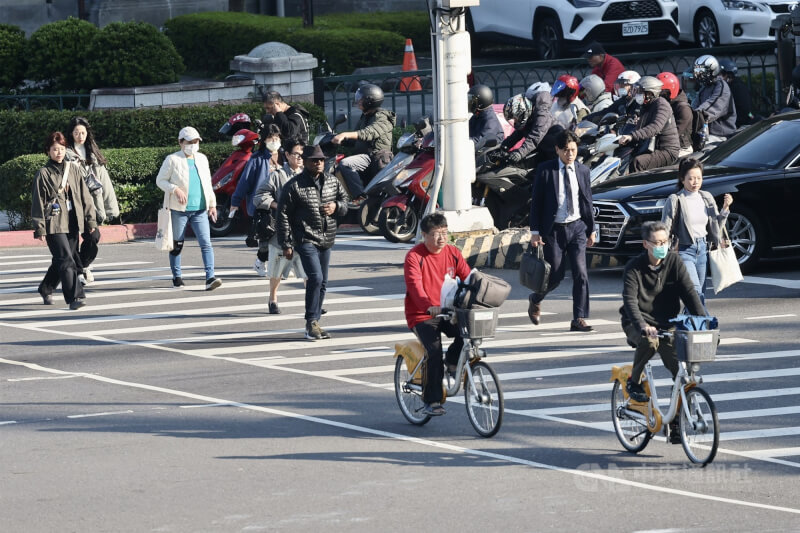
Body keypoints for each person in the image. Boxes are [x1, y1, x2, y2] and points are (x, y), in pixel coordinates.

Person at [620, 220, 706, 405]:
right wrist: (642, 325)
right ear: (646, 244)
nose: (663, 246)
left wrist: (705, 322)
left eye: (665, 242)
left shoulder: (674, 261)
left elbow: (689, 293)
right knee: (649, 341)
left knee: (682, 376)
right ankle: (633, 383)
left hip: (667, 324)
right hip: (638, 322)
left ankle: (676, 427)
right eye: (658, 243)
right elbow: (630, 301)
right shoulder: (633, 267)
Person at [277, 144, 349, 340]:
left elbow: (346, 202)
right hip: (305, 237)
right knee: (315, 278)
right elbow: (282, 215)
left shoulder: (333, 182)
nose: (318, 163)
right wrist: (287, 244)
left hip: (327, 237)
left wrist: (336, 206)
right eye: (314, 160)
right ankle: (310, 321)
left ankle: (316, 320)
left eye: (321, 160)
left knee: (323, 281)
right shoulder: (294, 186)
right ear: (306, 162)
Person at [404, 212, 472, 416]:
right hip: (422, 314)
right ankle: (431, 400)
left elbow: (468, 278)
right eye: (435, 234)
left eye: (444, 232)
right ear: (424, 235)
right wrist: (428, 306)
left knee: (469, 334)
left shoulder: (453, 252)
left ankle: (452, 361)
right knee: (433, 352)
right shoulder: (415, 256)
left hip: (449, 311)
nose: (441, 238)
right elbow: (415, 287)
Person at [527, 130, 596, 332]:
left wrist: (591, 229)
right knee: (555, 275)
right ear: (557, 150)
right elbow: (537, 202)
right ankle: (536, 298)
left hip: (577, 228)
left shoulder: (583, 171)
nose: (570, 154)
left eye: (573, 150)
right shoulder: (546, 170)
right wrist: (535, 231)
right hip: (554, 230)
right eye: (566, 150)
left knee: (581, 273)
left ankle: (579, 318)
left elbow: (587, 201)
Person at [31, 131, 97, 310]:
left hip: (73, 222)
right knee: (66, 259)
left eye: (61, 149)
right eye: (54, 149)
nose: (58, 153)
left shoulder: (73, 169)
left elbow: (85, 197)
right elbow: (38, 202)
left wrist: (91, 221)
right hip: (54, 222)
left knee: (60, 260)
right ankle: (75, 296)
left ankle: (46, 288)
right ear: (48, 151)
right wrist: (40, 228)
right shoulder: (43, 174)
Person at [155, 126, 222, 291]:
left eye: (196, 142)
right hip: (179, 210)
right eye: (189, 142)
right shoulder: (172, 159)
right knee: (177, 244)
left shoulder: (202, 159)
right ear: (180, 143)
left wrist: (212, 204)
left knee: (206, 243)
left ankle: (210, 277)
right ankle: (177, 277)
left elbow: (207, 184)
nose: (193, 145)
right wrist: (175, 189)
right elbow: (160, 180)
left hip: (200, 209)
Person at [660, 158, 733, 306]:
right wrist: (660, 254)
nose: (695, 182)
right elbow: (665, 228)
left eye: (699, 178)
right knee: (695, 291)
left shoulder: (706, 197)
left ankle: (689, 325)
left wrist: (725, 208)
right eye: (691, 178)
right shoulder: (675, 199)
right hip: (683, 251)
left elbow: (716, 227)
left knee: (699, 293)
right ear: (682, 179)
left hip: (703, 250)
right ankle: (703, 322)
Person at [253, 138, 307, 313]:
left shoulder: (308, 174)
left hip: (304, 230)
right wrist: (276, 205)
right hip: (282, 230)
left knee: (309, 267)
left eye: (302, 155)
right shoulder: (277, 176)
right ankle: (272, 298)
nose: (299, 158)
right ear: (287, 155)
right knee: (277, 267)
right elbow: (259, 196)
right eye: (296, 154)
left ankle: (313, 301)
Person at [65, 116, 119, 285]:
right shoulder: (66, 154)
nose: (80, 136)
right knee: (73, 242)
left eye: (83, 132)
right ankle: (79, 271)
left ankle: (83, 266)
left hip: (92, 206)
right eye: (76, 132)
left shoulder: (93, 154)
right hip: (74, 205)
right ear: (71, 134)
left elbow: (105, 183)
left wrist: (111, 209)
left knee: (93, 237)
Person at [331, 83, 396, 206]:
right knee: (337, 165)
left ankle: (361, 197)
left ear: (370, 101)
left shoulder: (383, 118)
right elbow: (355, 138)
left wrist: (346, 134)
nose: (358, 101)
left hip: (376, 157)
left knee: (346, 163)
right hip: (365, 156)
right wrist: (336, 138)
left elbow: (368, 133)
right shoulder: (365, 116)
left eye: (361, 99)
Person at [230, 124, 278, 273]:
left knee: (282, 236)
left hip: (281, 202)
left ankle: (278, 264)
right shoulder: (257, 159)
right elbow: (245, 181)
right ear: (264, 140)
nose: (274, 141)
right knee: (266, 237)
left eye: (277, 138)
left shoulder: (285, 155)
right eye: (271, 138)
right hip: (263, 205)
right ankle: (260, 262)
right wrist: (235, 202)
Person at [617, 76, 680, 173]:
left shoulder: (662, 105)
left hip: (667, 150)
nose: (637, 94)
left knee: (638, 162)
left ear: (650, 93)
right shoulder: (645, 105)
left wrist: (631, 136)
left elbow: (655, 127)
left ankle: (637, 187)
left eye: (640, 92)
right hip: (651, 146)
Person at [501, 88, 557, 164]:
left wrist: (520, 153)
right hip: (541, 149)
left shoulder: (542, 116)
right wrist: (503, 146)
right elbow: (517, 134)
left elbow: (535, 136)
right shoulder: (529, 118)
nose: (515, 122)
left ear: (523, 113)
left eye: (516, 118)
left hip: (556, 151)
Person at [692, 54, 737, 142]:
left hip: (722, 136)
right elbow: (694, 105)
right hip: (706, 133)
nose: (699, 74)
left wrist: (694, 116)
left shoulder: (721, 86)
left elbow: (711, 108)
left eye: (701, 71)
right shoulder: (704, 88)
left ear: (713, 70)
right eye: (697, 70)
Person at [657, 71, 694, 157]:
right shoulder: (665, 104)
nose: (657, 95)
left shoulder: (683, 108)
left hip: (681, 148)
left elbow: (674, 134)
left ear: (669, 91)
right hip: (665, 145)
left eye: (660, 92)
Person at [719, 59, 754, 127]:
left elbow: (745, 111)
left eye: (721, 74)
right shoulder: (734, 85)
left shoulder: (736, 88)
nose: (718, 77)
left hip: (741, 126)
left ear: (729, 75)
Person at [467, 84, 504, 148]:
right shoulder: (477, 116)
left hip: (486, 155)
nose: (469, 103)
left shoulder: (490, 121)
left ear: (481, 103)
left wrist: (463, 142)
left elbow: (480, 142)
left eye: (472, 101)